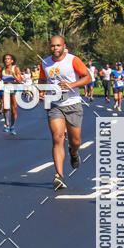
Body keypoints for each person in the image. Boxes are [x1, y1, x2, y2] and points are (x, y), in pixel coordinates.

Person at [39, 35, 91, 190]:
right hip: (55, 104)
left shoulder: (72, 60)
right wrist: (42, 92)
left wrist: (72, 84)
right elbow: (42, 80)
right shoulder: (45, 62)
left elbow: (88, 77)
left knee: (75, 141)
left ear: (64, 46)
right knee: (57, 137)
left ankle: (73, 152)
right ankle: (59, 176)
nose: (55, 48)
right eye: (52, 46)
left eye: (58, 46)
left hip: (73, 104)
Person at [0, 53, 22, 134]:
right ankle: (7, 124)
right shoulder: (2, 69)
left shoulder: (15, 68)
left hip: (14, 90)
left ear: (12, 60)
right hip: (5, 90)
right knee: (5, 108)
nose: (6, 60)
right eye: (5, 59)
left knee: (13, 109)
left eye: (8, 59)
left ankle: (12, 126)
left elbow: (20, 81)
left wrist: (13, 75)